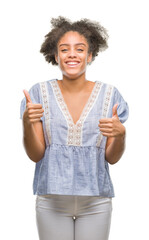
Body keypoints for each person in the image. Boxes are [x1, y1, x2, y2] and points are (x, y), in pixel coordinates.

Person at [20, 16, 129, 240]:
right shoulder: (38, 94)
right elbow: (36, 154)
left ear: (89, 56)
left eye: (79, 49)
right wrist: (26, 122)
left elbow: (112, 158)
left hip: (95, 201)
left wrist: (121, 135)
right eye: (64, 49)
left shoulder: (110, 95)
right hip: (51, 200)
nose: (72, 54)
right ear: (55, 55)